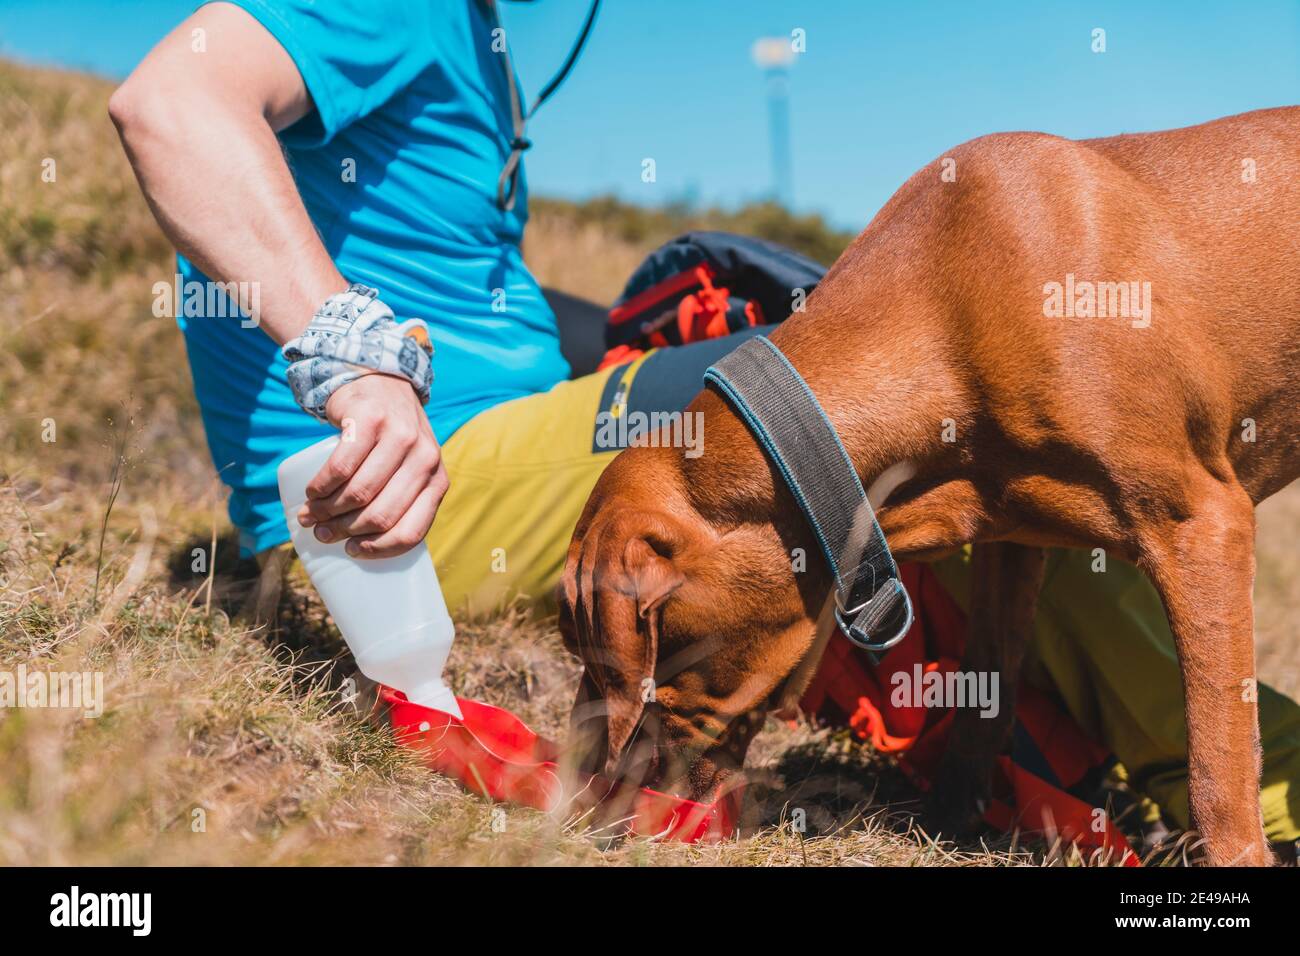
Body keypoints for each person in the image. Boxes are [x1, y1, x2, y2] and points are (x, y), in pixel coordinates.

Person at [111, 0, 1297, 854]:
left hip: (492, 430)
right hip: (409, 482)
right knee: (900, 403)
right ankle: (1253, 786)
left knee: (904, 371)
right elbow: (170, 103)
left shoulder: (481, 36)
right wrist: (357, 366)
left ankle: (1009, 739)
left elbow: (472, 299)